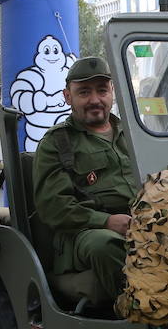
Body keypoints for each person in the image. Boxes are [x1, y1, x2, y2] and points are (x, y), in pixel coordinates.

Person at [33, 56, 140, 304]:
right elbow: (53, 207)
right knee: (108, 246)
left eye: (102, 90)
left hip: (141, 222)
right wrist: (106, 221)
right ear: (67, 97)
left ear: (112, 92)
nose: (95, 100)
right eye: (84, 92)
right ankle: (138, 313)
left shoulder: (134, 135)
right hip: (85, 233)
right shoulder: (57, 143)